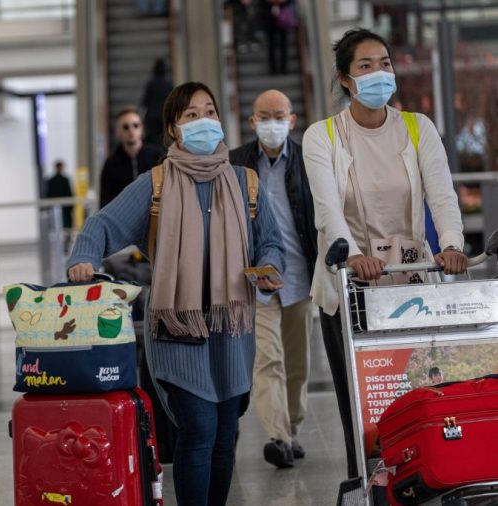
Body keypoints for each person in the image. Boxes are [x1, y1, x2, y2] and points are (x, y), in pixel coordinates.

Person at [68, 81, 286, 506]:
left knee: (226, 432)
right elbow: (101, 225)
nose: (204, 121)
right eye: (191, 115)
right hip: (176, 325)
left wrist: (270, 268)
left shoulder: (244, 182)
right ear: (173, 129)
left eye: (210, 111)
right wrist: (84, 257)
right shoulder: (155, 184)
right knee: (199, 428)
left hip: (230, 327)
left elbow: (270, 243)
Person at [302, 28, 467, 479]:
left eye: (385, 63)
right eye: (365, 66)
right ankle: (368, 484)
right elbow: (327, 209)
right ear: (346, 79)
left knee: (419, 389)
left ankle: (425, 477)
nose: (379, 73)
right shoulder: (322, 137)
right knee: (363, 405)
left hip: (411, 281)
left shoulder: (417, 127)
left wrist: (451, 244)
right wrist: (353, 256)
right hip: (352, 287)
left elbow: (442, 195)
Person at [229, 89, 317, 469]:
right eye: (264, 117)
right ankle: (278, 437)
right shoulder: (236, 164)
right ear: (252, 122)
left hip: (299, 276)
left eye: (279, 116)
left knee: (298, 362)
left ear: (292, 120)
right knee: (268, 359)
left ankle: (292, 428)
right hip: (257, 281)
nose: (272, 124)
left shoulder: (308, 160)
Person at [99, 106, 164, 208]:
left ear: (142, 128)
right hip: (123, 215)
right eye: (125, 127)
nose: (131, 130)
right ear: (117, 131)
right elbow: (105, 202)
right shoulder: (111, 164)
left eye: (135, 125)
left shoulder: (157, 157)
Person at [141, 58, 174, 148]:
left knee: (152, 141)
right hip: (164, 117)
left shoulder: (151, 83)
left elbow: (145, 101)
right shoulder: (169, 84)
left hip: (152, 117)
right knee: (164, 141)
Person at [262, 0, 296, 74]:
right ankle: (272, 69)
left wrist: (279, 2)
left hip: (283, 18)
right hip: (270, 19)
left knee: (283, 45)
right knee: (271, 46)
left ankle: (284, 68)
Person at [45, 160, 74, 230]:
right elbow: (69, 194)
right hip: (64, 208)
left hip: (54, 207)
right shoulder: (65, 180)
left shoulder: (50, 180)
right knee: (65, 227)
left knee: (55, 226)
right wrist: (71, 207)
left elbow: (48, 195)